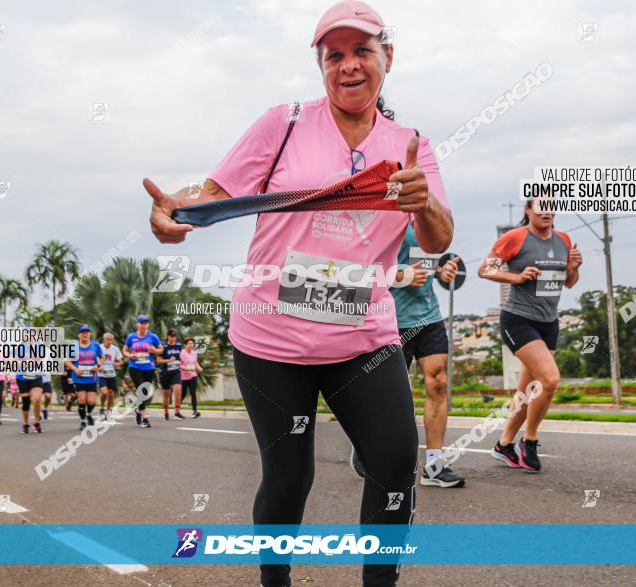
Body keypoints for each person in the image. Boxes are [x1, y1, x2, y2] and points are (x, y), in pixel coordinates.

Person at [144, 2, 453, 584]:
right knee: (289, 477)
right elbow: (212, 192)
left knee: (394, 463)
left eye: (362, 51)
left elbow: (437, 238)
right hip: (271, 338)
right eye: (334, 55)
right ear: (321, 65)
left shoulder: (410, 144)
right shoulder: (282, 122)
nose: (349, 66)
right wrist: (174, 214)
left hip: (363, 336)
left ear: (388, 57)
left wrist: (424, 201)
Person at [350, 229, 464, 487]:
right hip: (390, 319)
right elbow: (358, 269)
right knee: (390, 395)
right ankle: (365, 443)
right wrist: (401, 276)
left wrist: (442, 273)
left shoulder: (429, 221)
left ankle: (435, 465)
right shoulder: (386, 220)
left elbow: (429, 266)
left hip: (429, 317)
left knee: (438, 382)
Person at [478, 200, 581, 473]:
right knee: (550, 379)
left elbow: (568, 282)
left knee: (527, 391)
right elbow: (483, 270)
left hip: (549, 322)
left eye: (552, 206)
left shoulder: (564, 240)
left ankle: (504, 444)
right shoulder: (515, 238)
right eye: (541, 207)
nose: (547, 211)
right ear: (528, 210)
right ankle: (530, 440)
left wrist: (574, 268)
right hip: (518, 319)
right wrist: (517, 276)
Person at [123, 316, 162, 428]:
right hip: (135, 367)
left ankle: (138, 409)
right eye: (142, 323)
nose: (144, 325)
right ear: (138, 325)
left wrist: (154, 350)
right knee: (141, 388)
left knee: (145, 392)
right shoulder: (131, 337)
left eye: (146, 323)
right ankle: (145, 418)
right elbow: (125, 350)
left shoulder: (153, 336)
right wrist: (130, 355)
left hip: (149, 367)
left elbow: (161, 349)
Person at [65, 325, 104, 430]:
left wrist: (98, 366)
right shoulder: (74, 347)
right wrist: (75, 369)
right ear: (79, 335)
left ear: (90, 334)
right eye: (83, 332)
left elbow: (102, 357)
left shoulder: (95, 345)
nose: (85, 334)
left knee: (91, 401)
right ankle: (83, 420)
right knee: (82, 400)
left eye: (87, 332)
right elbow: (67, 361)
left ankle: (88, 414)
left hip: (92, 377)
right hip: (79, 377)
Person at [157, 329, 184, 421]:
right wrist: (169, 360)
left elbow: (180, 357)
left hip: (176, 371)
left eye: (174, 336)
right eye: (171, 336)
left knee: (178, 391)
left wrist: (180, 361)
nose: (173, 338)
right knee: (166, 394)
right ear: (168, 336)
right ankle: (166, 413)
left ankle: (177, 412)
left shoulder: (179, 346)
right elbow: (159, 360)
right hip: (165, 372)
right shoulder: (163, 347)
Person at [98, 332, 124, 420]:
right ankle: (102, 407)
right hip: (101, 374)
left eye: (111, 340)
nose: (109, 342)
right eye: (107, 340)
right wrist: (98, 367)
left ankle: (108, 411)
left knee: (111, 394)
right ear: (103, 340)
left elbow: (121, 361)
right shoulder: (99, 348)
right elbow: (94, 360)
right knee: (104, 393)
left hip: (111, 374)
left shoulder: (115, 349)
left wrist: (117, 364)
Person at [179, 337, 202, 418]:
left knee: (193, 393)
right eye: (189, 343)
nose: (191, 345)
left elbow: (195, 363)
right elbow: (180, 365)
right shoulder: (182, 353)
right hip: (184, 377)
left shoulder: (194, 353)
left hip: (193, 376)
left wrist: (199, 368)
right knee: (183, 394)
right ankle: (177, 409)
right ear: (185, 345)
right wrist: (187, 368)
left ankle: (195, 411)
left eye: (192, 343)